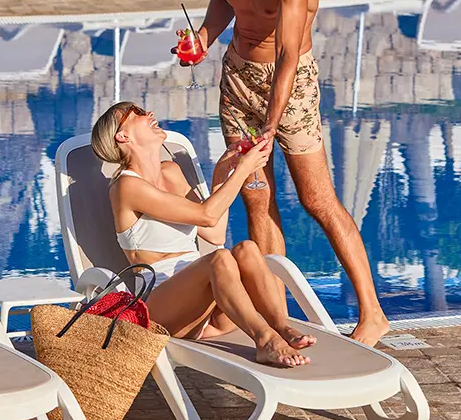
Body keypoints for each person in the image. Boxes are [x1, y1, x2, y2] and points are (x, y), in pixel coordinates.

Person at [176, 0, 390, 346]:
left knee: (317, 200)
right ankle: (277, 320)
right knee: (255, 197)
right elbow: (224, 0)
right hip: (238, 80)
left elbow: (290, 55)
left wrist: (271, 126)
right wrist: (203, 41)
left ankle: (373, 313)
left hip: (287, 89)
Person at [91, 101, 317, 368]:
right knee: (219, 259)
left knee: (246, 249)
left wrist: (222, 173)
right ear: (122, 136)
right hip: (164, 312)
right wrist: (245, 168)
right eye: (137, 113)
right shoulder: (126, 186)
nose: (149, 113)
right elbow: (208, 215)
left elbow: (213, 230)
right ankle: (264, 338)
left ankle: (281, 326)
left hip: (213, 312)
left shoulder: (171, 172)